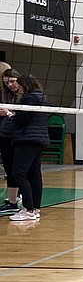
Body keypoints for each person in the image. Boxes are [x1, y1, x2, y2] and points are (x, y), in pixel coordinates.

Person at [7, 73, 49, 223]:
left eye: (17, 83)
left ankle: (28, 209)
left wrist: (10, 114)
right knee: (34, 174)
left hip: (28, 139)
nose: (15, 87)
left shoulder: (30, 98)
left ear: (24, 84)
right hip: (39, 139)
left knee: (18, 173)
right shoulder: (42, 97)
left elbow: (22, 120)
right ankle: (35, 209)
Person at [0, 68, 22, 215]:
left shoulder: (26, 97)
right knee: (9, 169)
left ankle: (24, 201)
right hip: (5, 136)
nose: (10, 85)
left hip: (20, 138)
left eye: (13, 81)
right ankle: (12, 201)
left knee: (20, 170)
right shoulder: (4, 96)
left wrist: (9, 113)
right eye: (7, 82)